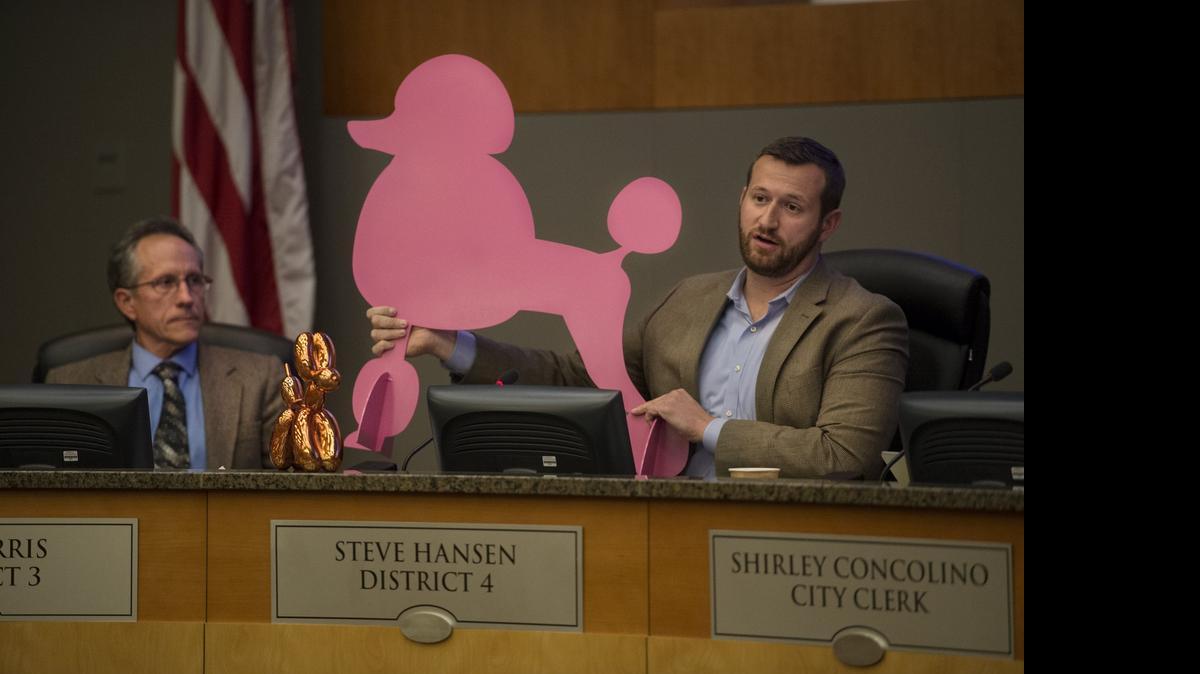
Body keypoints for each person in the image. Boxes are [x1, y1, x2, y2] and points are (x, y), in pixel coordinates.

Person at [368, 137, 908, 479]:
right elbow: (580, 378)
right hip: (664, 518)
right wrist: (449, 344)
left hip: (790, 538)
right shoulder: (688, 299)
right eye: (759, 198)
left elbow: (844, 455)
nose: (767, 221)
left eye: (792, 207)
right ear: (742, 198)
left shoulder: (862, 320)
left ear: (827, 224)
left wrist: (707, 428)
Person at [46, 218, 284, 470]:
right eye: (166, 282)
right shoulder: (68, 383)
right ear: (127, 302)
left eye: (194, 280)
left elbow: (289, 489)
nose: (186, 297)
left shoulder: (260, 378)